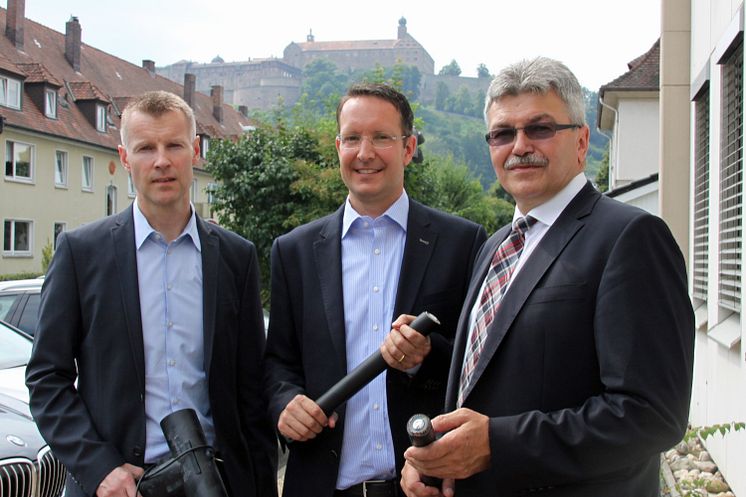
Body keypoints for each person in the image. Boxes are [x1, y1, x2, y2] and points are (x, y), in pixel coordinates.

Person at [400, 57, 695, 497]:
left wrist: (497, 445)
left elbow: (652, 414)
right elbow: (480, 384)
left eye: (538, 128)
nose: (519, 146)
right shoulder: (495, 247)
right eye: (502, 133)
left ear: (581, 141)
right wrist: (433, 462)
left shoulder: (629, 237)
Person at [26, 91, 277, 497]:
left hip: (218, 482)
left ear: (194, 152)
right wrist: (99, 469)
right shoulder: (80, 253)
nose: (161, 161)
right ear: (125, 158)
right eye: (146, 148)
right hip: (120, 485)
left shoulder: (236, 257)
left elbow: (252, 393)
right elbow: (46, 378)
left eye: (174, 145)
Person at [263, 83, 487, 497]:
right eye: (352, 138)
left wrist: (425, 357)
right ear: (338, 147)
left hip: (424, 485)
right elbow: (278, 361)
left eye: (381, 137)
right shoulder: (293, 251)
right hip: (321, 485)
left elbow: (479, 365)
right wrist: (285, 402)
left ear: (408, 148)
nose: (364, 152)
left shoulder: (463, 243)